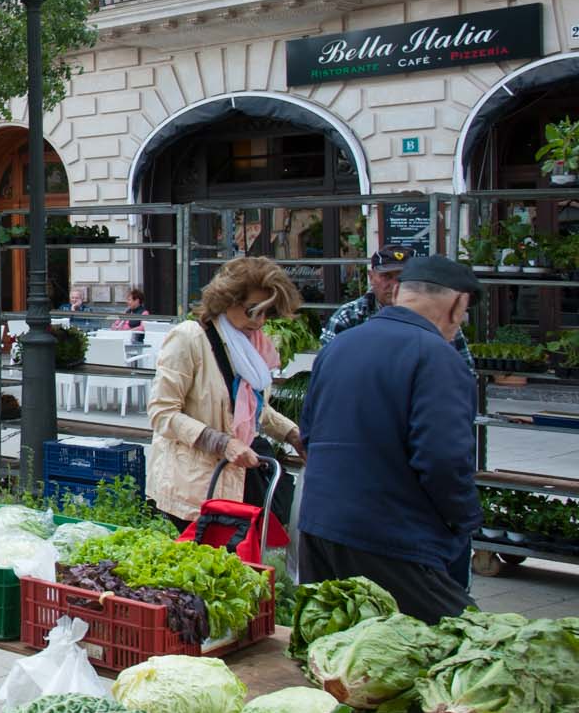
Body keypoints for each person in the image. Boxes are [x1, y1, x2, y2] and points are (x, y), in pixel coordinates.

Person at [298, 256, 481, 621]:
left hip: (320, 529)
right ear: (458, 304)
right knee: (464, 637)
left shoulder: (339, 346)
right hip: (393, 536)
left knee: (339, 644)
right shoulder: (437, 356)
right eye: (464, 313)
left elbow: (308, 433)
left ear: (397, 293)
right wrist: (465, 519)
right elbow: (443, 458)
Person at [146, 255, 305, 525]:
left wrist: (293, 434)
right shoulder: (189, 338)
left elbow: (254, 409)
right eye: (252, 310)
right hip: (196, 487)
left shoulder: (252, 345)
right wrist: (222, 442)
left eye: (267, 313)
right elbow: (162, 413)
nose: (259, 321)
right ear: (227, 300)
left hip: (238, 482)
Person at [320, 247, 473, 368]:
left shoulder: (440, 318)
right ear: (371, 277)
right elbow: (327, 370)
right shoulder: (348, 317)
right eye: (386, 276)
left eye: (402, 277)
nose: (394, 284)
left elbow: (465, 370)